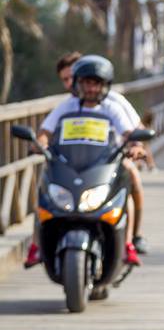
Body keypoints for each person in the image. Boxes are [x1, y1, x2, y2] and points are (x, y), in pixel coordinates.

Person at [27, 55, 144, 268]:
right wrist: (40, 143)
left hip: (105, 163)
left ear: (105, 85)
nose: (91, 89)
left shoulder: (112, 106)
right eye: (86, 83)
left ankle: (128, 242)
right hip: (71, 163)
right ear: (78, 83)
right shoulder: (67, 106)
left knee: (125, 183)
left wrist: (135, 146)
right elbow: (45, 131)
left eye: (96, 84)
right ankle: (37, 244)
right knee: (43, 187)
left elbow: (129, 132)